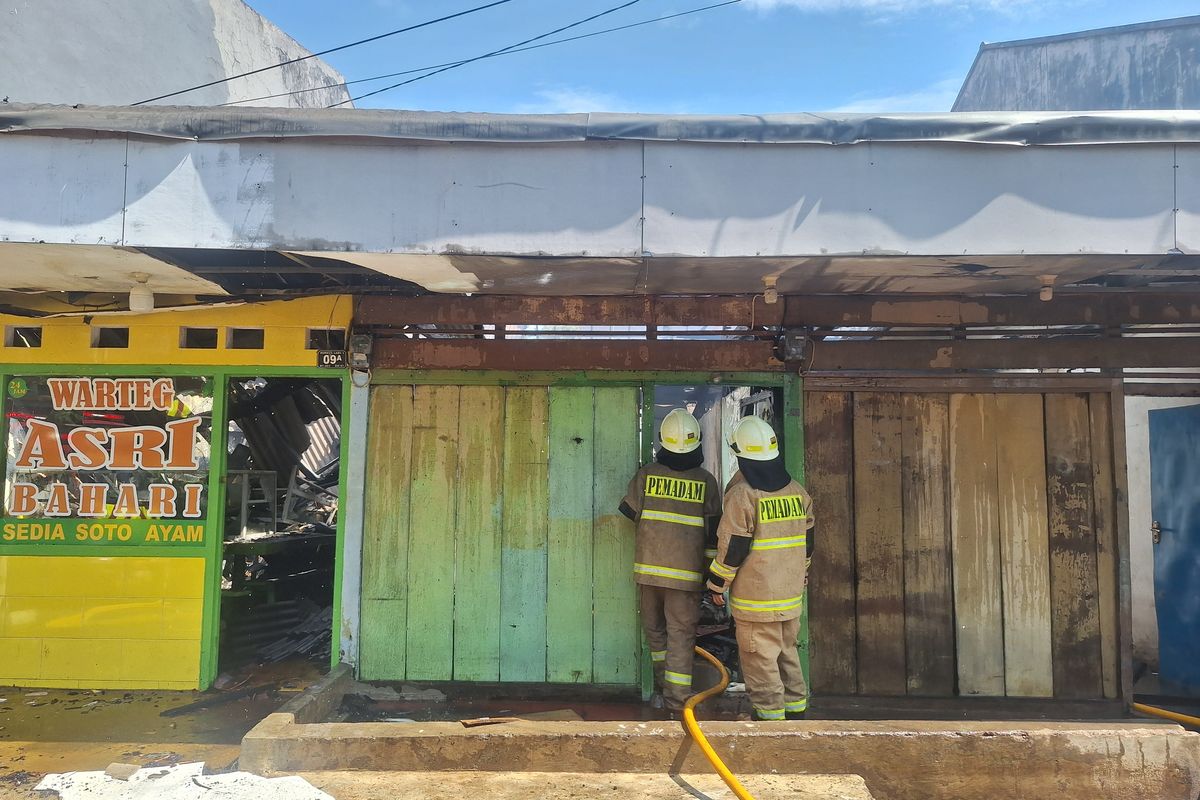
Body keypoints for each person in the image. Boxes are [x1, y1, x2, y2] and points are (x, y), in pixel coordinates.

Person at [706, 415, 814, 721]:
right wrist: (801, 572)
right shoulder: (797, 491)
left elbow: (733, 548)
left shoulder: (743, 495)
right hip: (790, 598)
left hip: (757, 601)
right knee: (787, 654)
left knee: (760, 660)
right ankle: (796, 713)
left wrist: (716, 585)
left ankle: (769, 722)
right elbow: (809, 542)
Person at [620, 408, 722, 715]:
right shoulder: (706, 481)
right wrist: (710, 576)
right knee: (680, 635)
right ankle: (678, 701)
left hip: (649, 574)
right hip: (686, 577)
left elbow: (628, 511)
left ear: (662, 441)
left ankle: (663, 691)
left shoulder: (647, 474)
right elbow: (714, 534)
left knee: (656, 633)